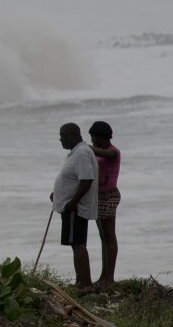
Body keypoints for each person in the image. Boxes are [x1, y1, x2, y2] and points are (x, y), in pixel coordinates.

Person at [51, 123, 98, 289]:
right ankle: (81, 281)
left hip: (75, 209)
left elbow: (86, 180)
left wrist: (73, 202)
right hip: (70, 206)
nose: (60, 139)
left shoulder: (82, 153)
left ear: (72, 135)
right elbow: (72, 178)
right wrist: (57, 194)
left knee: (78, 244)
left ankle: (84, 283)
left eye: (62, 136)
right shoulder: (76, 153)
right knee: (75, 243)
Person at [87, 121, 120, 290]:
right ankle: (103, 275)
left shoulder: (113, 151)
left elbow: (103, 153)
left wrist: (85, 148)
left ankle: (109, 277)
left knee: (109, 236)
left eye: (93, 137)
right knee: (103, 237)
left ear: (101, 136)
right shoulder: (101, 152)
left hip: (109, 196)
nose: (92, 140)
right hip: (99, 197)